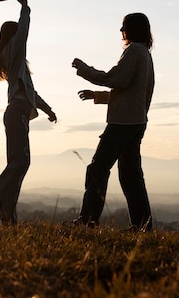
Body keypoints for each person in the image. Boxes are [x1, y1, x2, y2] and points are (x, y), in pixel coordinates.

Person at [70, 12, 155, 231]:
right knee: (131, 177)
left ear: (132, 29)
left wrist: (83, 69)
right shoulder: (145, 53)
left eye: (123, 26)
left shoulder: (134, 51)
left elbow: (115, 79)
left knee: (98, 168)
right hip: (136, 122)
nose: (121, 31)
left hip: (122, 124)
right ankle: (143, 226)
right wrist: (97, 96)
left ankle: (87, 220)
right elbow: (131, 93)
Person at [0, 0, 57, 225]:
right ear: (12, 37)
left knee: (20, 164)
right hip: (16, 113)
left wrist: (47, 109)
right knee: (19, 163)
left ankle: (7, 215)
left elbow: (32, 93)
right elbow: (23, 34)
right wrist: (25, 9)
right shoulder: (11, 53)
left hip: (18, 113)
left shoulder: (17, 64)